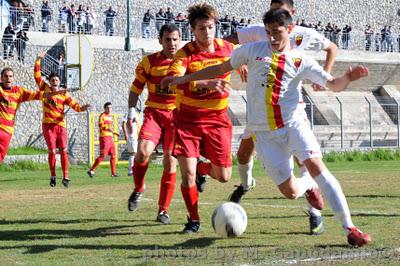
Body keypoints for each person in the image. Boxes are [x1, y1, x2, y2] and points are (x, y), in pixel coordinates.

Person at [162, 8, 372, 248]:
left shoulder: (301, 59)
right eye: (269, 32)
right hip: (264, 133)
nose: (272, 38)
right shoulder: (252, 51)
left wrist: (348, 78)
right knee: (291, 191)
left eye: (277, 33)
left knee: (316, 166)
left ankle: (351, 228)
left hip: (293, 123)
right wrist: (182, 79)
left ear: (290, 30)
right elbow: (219, 69)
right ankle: (308, 183)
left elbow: (333, 85)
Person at [222, 0, 339, 236]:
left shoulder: (304, 34)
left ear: (292, 15)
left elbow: (332, 48)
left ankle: (314, 213)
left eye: (282, 11)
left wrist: (324, 75)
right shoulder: (257, 31)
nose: (277, 15)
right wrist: (237, 62)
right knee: (244, 153)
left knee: (301, 160)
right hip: (260, 110)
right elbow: (226, 42)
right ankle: (246, 185)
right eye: (273, 8)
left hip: (290, 109)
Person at [165, 3, 235, 233]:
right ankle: (193, 220)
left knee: (224, 176)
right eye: (202, 29)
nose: (207, 33)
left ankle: (204, 170)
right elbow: (174, 78)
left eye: (211, 27)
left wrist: (245, 67)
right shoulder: (185, 53)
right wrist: (206, 82)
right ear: (193, 30)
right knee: (188, 175)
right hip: (188, 121)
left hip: (218, 119)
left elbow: (247, 58)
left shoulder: (227, 48)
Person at [127, 24, 181, 225]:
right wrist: (132, 111)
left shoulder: (186, 62)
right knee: (142, 152)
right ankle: (139, 188)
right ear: (160, 41)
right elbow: (135, 90)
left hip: (176, 116)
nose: (172, 43)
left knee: (170, 160)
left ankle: (163, 210)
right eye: (168, 39)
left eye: (175, 39)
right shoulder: (149, 62)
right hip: (154, 114)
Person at [34, 52, 90, 187]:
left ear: (60, 83)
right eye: (52, 80)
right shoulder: (45, 88)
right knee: (52, 151)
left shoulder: (64, 94)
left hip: (61, 126)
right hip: (48, 126)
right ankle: (53, 175)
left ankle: (66, 176)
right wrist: (38, 60)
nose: (54, 82)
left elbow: (75, 106)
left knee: (64, 150)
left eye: (56, 81)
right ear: (49, 82)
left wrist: (83, 107)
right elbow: (36, 75)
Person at [0, 67, 61, 164]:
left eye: (10, 76)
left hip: (7, 132)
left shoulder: (18, 92)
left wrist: (54, 93)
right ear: (1, 78)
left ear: (13, 78)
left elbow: (36, 94)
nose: (8, 78)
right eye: (5, 76)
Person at [87, 102, 119, 178]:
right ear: (104, 108)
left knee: (114, 155)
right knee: (103, 155)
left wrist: (113, 133)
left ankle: (113, 173)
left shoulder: (110, 117)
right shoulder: (102, 116)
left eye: (110, 107)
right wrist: (111, 130)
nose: (109, 109)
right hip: (104, 138)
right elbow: (101, 126)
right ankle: (91, 170)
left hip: (110, 138)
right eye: (108, 108)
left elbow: (110, 128)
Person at [121, 108, 139, 176]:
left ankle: (133, 169)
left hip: (136, 135)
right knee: (133, 153)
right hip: (131, 136)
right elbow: (123, 123)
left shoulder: (136, 113)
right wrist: (126, 134)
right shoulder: (129, 112)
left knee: (135, 153)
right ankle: (130, 171)